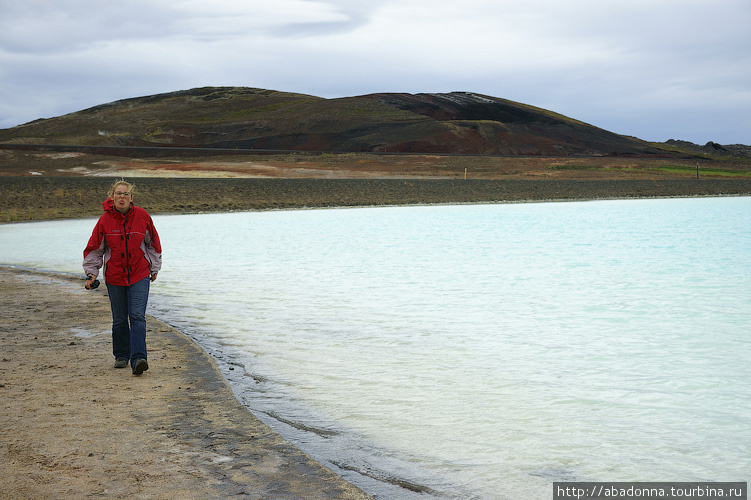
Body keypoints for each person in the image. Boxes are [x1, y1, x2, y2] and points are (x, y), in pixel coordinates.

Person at [83, 180, 162, 375]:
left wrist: (154, 267)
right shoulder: (104, 221)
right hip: (115, 276)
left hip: (139, 274)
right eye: (118, 193)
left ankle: (138, 359)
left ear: (131, 197)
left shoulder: (143, 216)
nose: (122, 197)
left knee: (137, 316)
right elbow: (95, 249)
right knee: (119, 319)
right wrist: (91, 273)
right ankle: (121, 355)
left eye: (126, 194)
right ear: (112, 196)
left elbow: (153, 243)